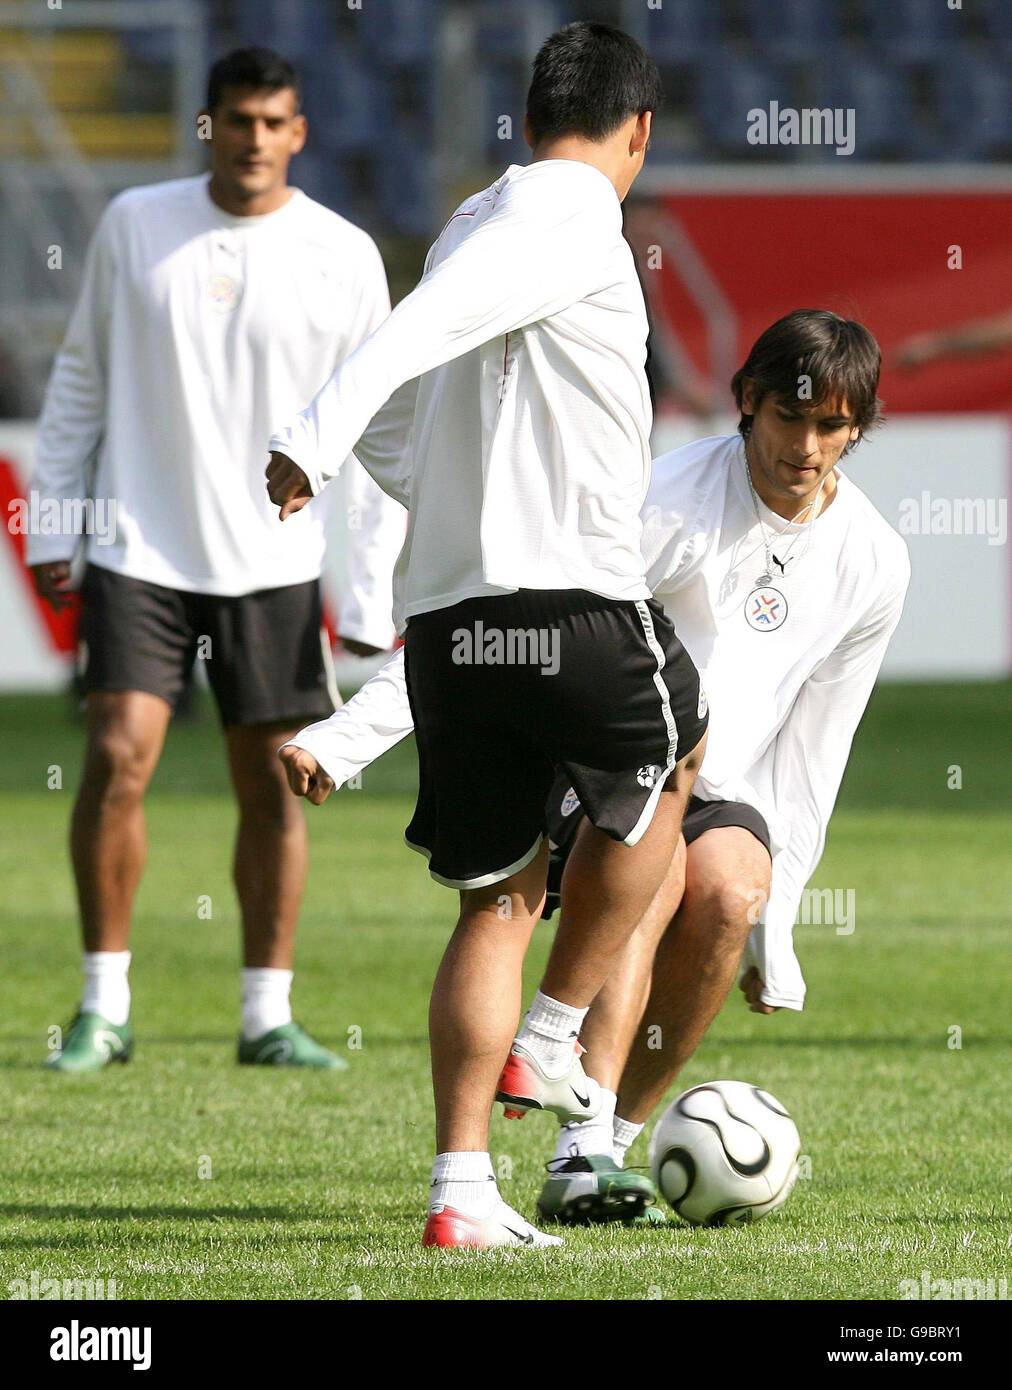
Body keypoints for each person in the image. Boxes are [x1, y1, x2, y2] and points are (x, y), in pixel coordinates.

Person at [279, 310, 911, 1228]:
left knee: (730, 890)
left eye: (831, 426)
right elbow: (505, 626)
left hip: (718, 788)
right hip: (589, 762)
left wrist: (781, 924)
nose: (805, 446)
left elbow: (819, 751)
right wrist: (348, 735)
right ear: (744, 404)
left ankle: (602, 1142)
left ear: (859, 429)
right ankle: (574, 1145)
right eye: (787, 417)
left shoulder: (877, 562)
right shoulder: (669, 501)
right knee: (654, 856)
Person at [267, 22, 707, 1249]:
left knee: (497, 900)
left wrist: (422, 489)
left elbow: (407, 417)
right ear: (638, 131)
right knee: (678, 756)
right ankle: (556, 1037)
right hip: (566, 600)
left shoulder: (473, 217)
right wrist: (311, 431)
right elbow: (400, 353)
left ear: (525, 114)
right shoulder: (569, 220)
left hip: (450, 625)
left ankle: (461, 1195)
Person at [27, 47, 403, 1073]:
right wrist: (54, 522)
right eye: (236, 120)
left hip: (276, 563)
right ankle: (105, 1005)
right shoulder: (135, 226)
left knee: (276, 788)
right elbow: (82, 384)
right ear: (209, 126)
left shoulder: (342, 253)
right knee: (114, 758)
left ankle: (264, 1015)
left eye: (273, 122)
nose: (253, 139)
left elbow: (375, 434)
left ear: (300, 133)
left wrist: (368, 590)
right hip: (140, 547)